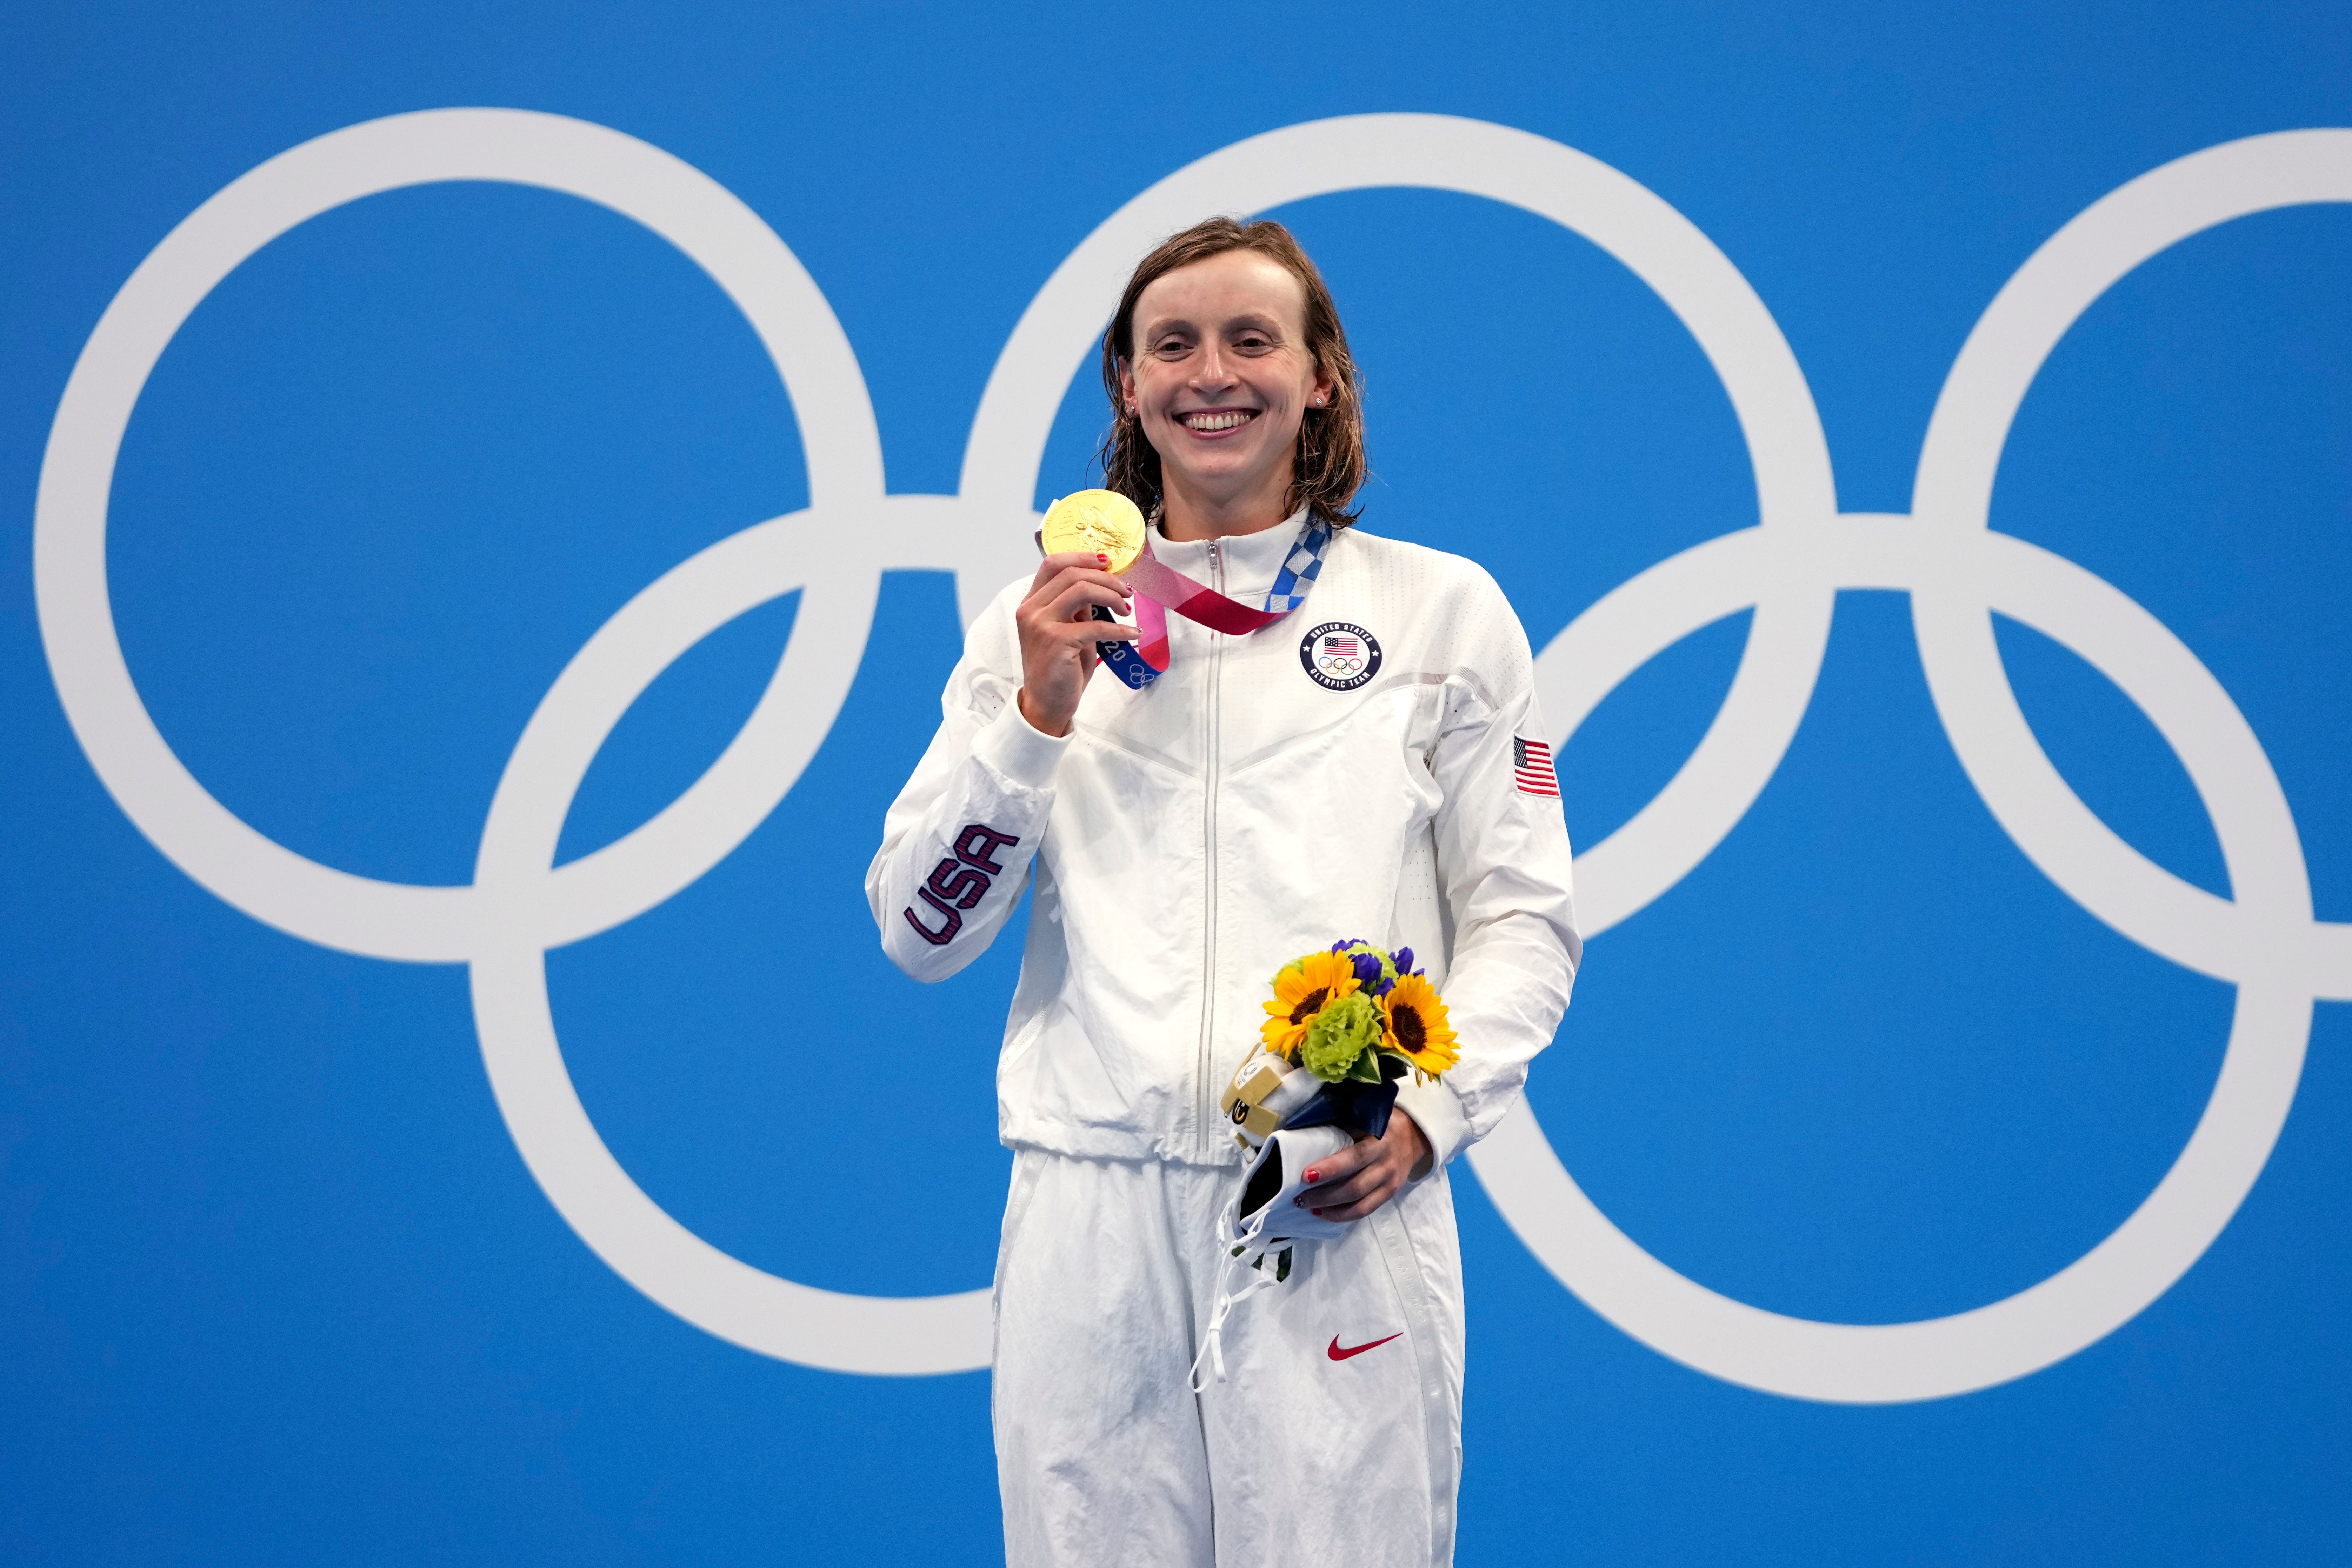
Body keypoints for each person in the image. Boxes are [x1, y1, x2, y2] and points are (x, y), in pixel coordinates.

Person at [867, 216, 1579, 1567]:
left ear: (1323, 380)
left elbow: (1524, 918)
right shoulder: (1037, 628)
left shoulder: (1441, 614)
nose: (1214, 372)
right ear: (1126, 389)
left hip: (1333, 1200)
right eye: (1172, 344)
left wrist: (1429, 1116)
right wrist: (1032, 718)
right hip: (1094, 1208)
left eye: (1255, 339)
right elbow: (919, 933)